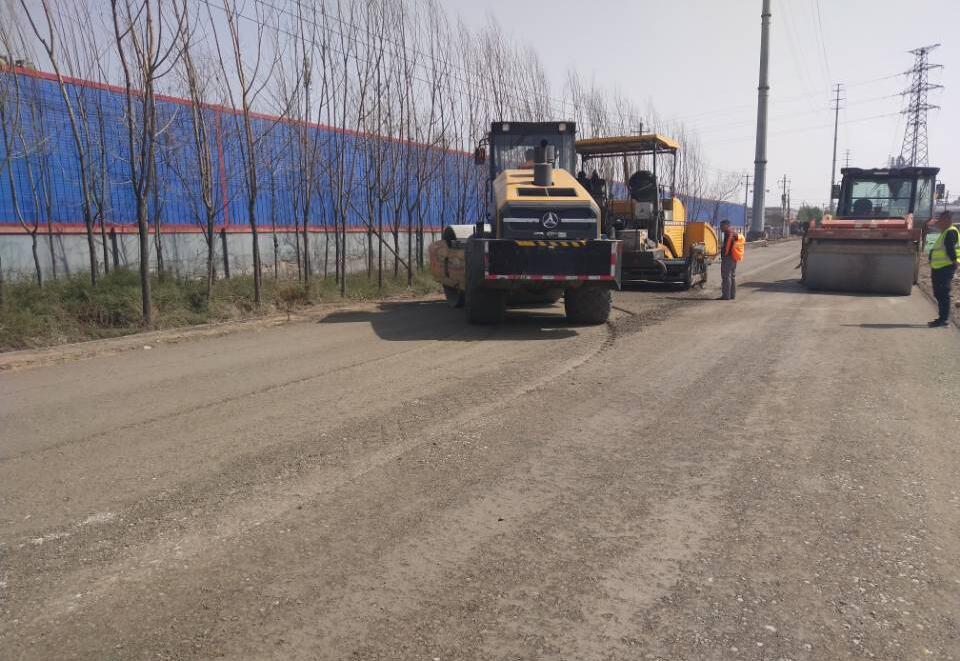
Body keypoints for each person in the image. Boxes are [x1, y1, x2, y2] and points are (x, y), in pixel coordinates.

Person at [927, 210, 958, 327]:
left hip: (945, 268)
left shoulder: (950, 232)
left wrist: (955, 262)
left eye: (940, 220)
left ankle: (943, 320)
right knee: (938, 293)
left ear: (947, 220)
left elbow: (951, 249)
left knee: (943, 293)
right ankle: (942, 318)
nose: (938, 222)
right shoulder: (945, 232)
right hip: (939, 267)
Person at [718, 219, 745, 300]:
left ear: (726, 226)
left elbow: (727, 247)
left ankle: (726, 296)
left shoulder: (728, 234)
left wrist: (723, 255)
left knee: (726, 276)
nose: (720, 227)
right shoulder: (734, 233)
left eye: (722, 226)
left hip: (728, 258)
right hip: (734, 257)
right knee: (732, 276)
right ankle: (732, 295)